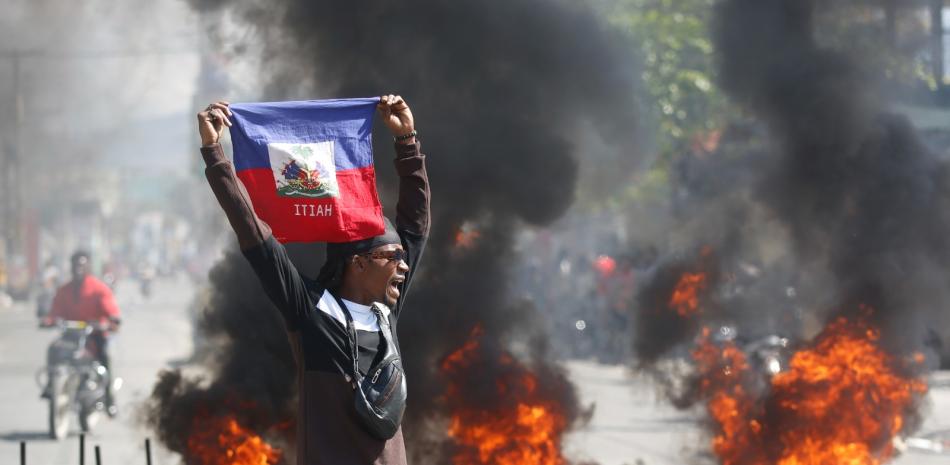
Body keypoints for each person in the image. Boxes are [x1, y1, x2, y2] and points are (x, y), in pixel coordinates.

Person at [198, 95, 429, 465]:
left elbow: (416, 230)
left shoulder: (385, 314)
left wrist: (407, 142)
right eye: (393, 257)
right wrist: (215, 154)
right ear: (359, 264)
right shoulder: (311, 311)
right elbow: (256, 238)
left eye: (403, 259)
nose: (404, 266)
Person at [44, 251, 121, 416]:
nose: (78, 268)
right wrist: (49, 320)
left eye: (82, 265)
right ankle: (51, 385)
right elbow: (55, 312)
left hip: (94, 336)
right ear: (70, 267)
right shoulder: (64, 290)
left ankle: (109, 399)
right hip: (71, 336)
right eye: (75, 265)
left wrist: (110, 321)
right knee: (53, 349)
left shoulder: (99, 289)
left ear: (88, 267)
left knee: (105, 357)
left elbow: (111, 311)